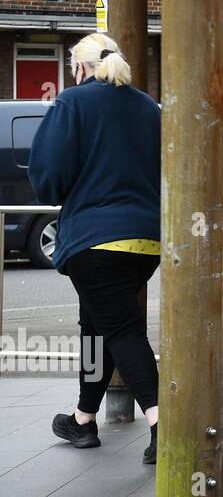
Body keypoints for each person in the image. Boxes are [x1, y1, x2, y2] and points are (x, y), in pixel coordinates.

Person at [29, 34, 162, 465]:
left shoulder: (74, 103)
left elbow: (48, 175)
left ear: (81, 68)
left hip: (94, 240)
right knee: (95, 327)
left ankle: (164, 425)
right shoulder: (147, 106)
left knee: (122, 329)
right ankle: (84, 420)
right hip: (145, 239)